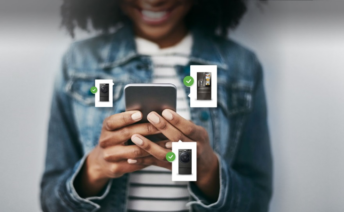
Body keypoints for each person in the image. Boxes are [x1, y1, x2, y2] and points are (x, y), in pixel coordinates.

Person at [40, 0, 272, 211]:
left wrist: (210, 172)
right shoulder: (79, 62)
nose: (153, 1)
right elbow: (50, 201)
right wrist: (93, 170)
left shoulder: (241, 66)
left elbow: (257, 200)